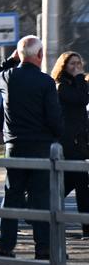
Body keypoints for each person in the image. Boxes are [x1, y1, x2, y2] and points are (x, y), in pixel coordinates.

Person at [0, 36, 66, 259]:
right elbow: (54, 117)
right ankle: (43, 247)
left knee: (12, 196)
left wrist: (10, 61)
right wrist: (58, 134)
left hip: (14, 145)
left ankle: (6, 245)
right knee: (41, 198)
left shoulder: (7, 77)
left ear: (20, 55)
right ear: (40, 55)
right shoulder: (46, 82)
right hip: (41, 146)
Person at [53, 51, 89, 237]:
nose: (76, 67)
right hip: (69, 143)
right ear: (64, 66)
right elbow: (81, 99)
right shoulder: (61, 86)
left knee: (71, 183)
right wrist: (80, 78)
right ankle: (87, 228)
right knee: (81, 184)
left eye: (78, 64)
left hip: (79, 142)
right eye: (72, 64)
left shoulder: (78, 84)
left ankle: (37, 207)